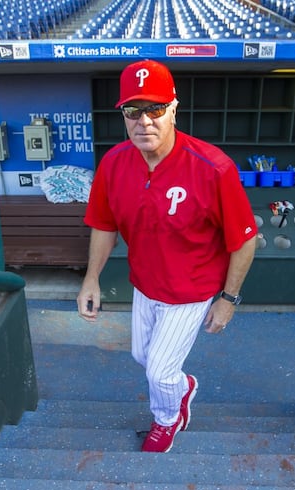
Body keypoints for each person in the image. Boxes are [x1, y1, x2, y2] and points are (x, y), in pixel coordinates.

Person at [76, 59, 258, 452]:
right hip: (146, 285)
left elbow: (245, 239)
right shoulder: (113, 163)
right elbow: (104, 226)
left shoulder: (213, 168)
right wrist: (91, 278)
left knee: (158, 371)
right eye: (133, 110)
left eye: (155, 109)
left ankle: (166, 419)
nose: (145, 121)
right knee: (144, 358)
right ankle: (183, 385)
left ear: (173, 109)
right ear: (123, 115)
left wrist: (227, 301)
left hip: (191, 290)